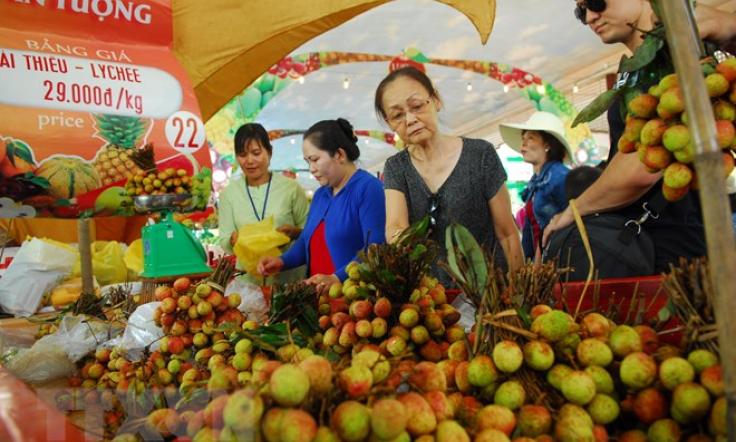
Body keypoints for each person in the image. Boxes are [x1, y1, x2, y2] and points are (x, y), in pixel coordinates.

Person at [544, 0, 736, 274]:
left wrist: (574, 210)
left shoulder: (675, 52)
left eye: (596, 2)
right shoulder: (634, 71)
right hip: (647, 244)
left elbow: (643, 167)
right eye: (580, 11)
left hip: (672, 249)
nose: (589, 17)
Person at [375, 66, 523, 286]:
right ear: (390, 123)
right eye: (397, 115)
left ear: (436, 100)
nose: (410, 119)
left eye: (417, 106)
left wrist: (519, 290)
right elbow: (395, 226)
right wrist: (401, 238)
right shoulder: (397, 167)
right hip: (436, 305)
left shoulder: (480, 155)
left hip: (491, 294)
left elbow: (507, 233)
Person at [257, 118, 386, 290]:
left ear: (339, 154)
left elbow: (375, 248)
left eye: (315, 159)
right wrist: (281, 261)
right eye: (307, 162)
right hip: (319, 300)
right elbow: (306, 242)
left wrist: (336, 278)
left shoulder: (368, 188)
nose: (311, 168)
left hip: (354, 299)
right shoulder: (321, 195)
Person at [219, 123, 309, 285]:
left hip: (289, 281)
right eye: (242, 154)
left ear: (269, 152)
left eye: (256, 153)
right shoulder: (229, 194)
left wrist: (295, 232)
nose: (249, 161)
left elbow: (311, 232)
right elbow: (224, 238)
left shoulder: (291, 188)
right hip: (248, 283)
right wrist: (232, 239)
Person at [500, 111, 573, 262]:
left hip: (561, 262)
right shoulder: (536, 182)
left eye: (531, 137)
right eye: (523, 138)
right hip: (544, 264)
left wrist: (538, 262)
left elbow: (571, 221)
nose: (523, 143)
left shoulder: (560, 177)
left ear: (548, 144)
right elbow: (530, 230)